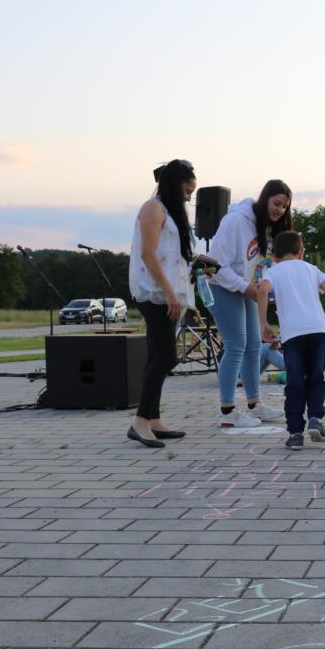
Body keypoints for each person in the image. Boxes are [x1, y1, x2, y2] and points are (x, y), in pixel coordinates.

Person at [206, 180, 292, 428]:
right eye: (277, 203)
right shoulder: (236, 221)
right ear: (265, 199)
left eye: (285, 207)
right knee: (236, 346)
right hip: (221, 286)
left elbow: (259, 266)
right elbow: (214, 266)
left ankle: (254, 405)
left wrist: (259, 289)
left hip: (245, 289)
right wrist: (245, 287)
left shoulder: (265, 228)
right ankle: (227, 412)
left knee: (254, 346)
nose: (280, 210)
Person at [126, 159, 196, 448]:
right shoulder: (153, 208)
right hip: (154, 291)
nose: (189, 198)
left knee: (157, 355)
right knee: (167, 357)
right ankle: (140, 422)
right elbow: (148, 253)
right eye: (187, 191)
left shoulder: (169, 211)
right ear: (174, 184)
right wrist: (169, 292)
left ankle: (153, 420)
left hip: (167, 292)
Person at [257, 231, 325, 450]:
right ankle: (315, 418)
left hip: (293, 334)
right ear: (301, 252)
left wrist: (263, 323)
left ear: (275, 257)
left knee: (295, 382)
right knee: (316, 377)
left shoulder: (274, 270)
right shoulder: (312, 268)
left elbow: (262, 290)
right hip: (319, 330)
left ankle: (295, 433)